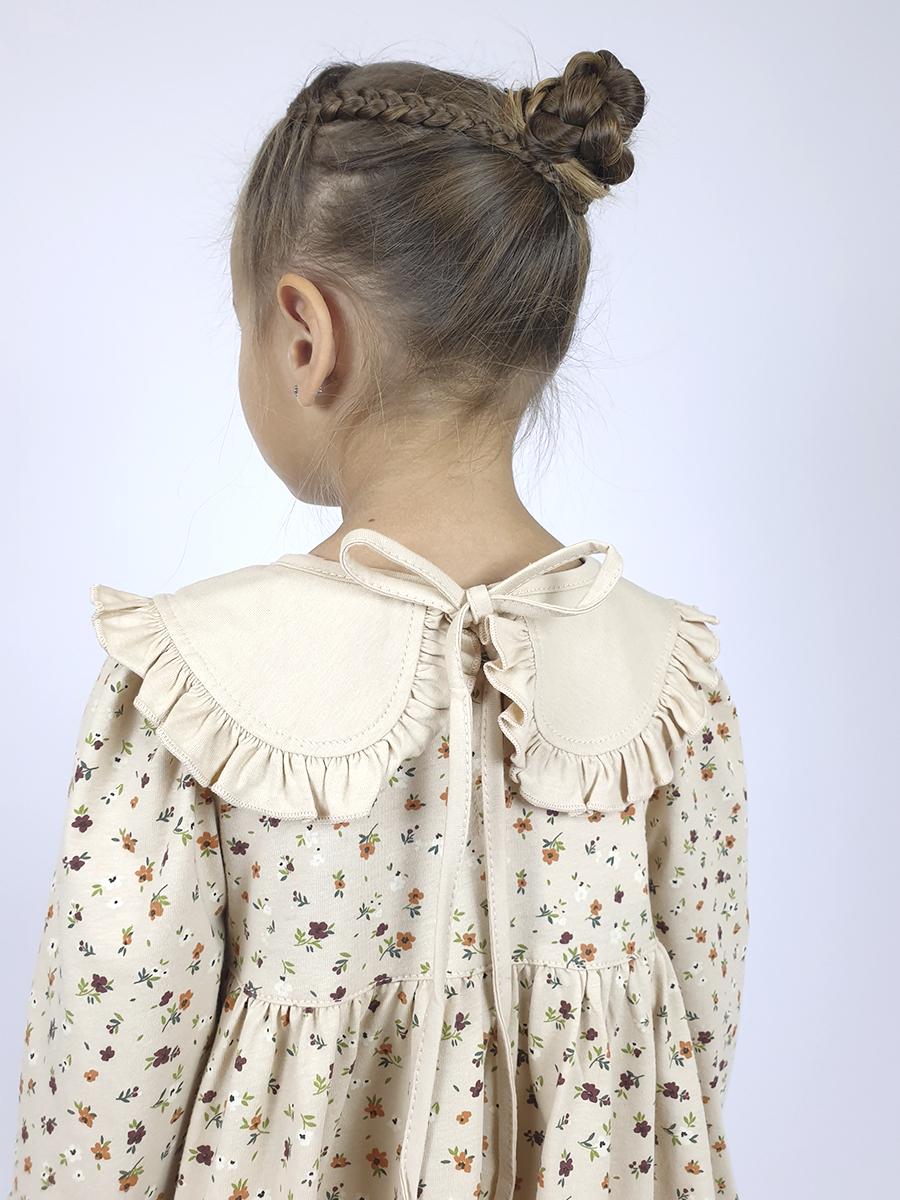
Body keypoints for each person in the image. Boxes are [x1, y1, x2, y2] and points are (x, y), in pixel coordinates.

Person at [8, 48, 749, 1200]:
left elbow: (100, 1096)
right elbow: (693, 1060)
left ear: (306, 335)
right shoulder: (668, 683)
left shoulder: (195, 689)